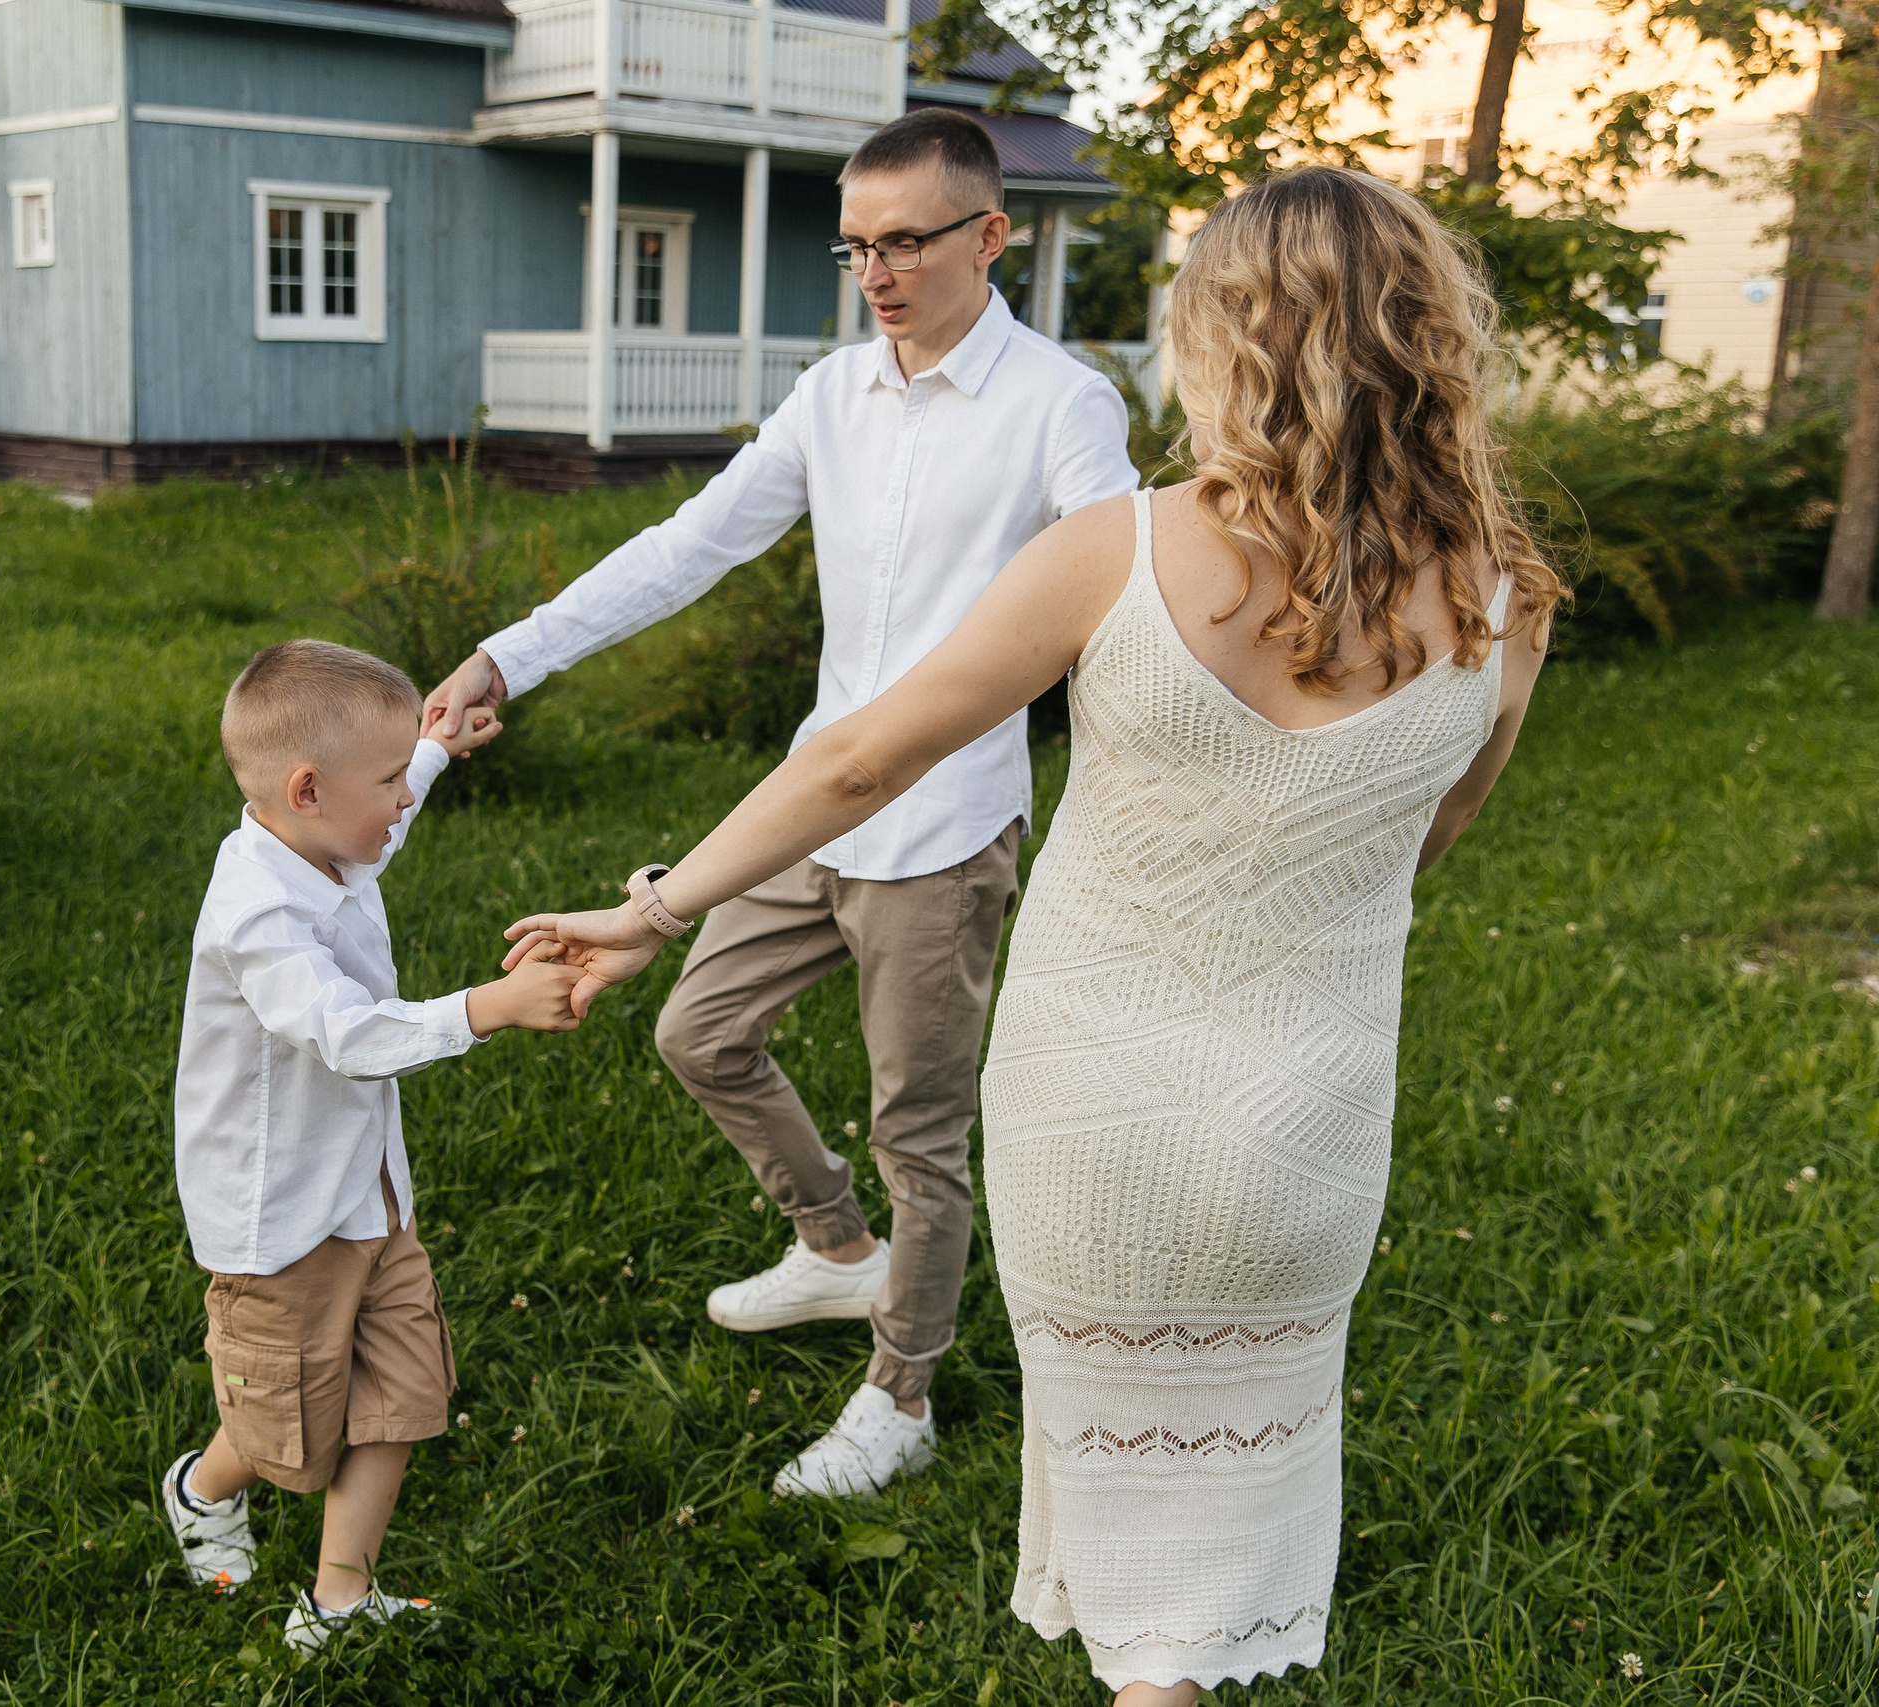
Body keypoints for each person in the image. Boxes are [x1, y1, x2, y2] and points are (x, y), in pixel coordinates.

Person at [502, 167, 1565, 1704]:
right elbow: (1428, 838)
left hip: (1093, 1117)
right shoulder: (1508, 602)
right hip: (1314, 1121)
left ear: (1222, 336)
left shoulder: (1117, 551)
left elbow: (861, 755)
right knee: (1208, 1568)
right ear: (1432, 336)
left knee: (1137, 1587)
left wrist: (655, 909)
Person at [422, 107, 1139, 1498]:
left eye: (909, 241)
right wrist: (514, 650)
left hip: (941, 835)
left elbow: (1109, 587)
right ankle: (833, 1250)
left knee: (918, 1133)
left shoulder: (1063, 403)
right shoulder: (830, 396)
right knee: (699, 1031)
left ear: (989, 237)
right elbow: (686, 545)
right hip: (810, 809)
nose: (877, 271)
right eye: (857, 246)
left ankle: (904, 1392)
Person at [161, 640, 580, 1654]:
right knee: (282, 1431)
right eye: (387, 783)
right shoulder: (258, 912)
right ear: (307, 790)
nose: (399, 804)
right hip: (281, 1220)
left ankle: (338, 1599)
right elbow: (346, 1037)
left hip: (371, 1196)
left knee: (398, 1393)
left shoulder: (328, 838)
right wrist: (489, 1007)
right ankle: (203, 1484)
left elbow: (376, 821)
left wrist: (428, 751)